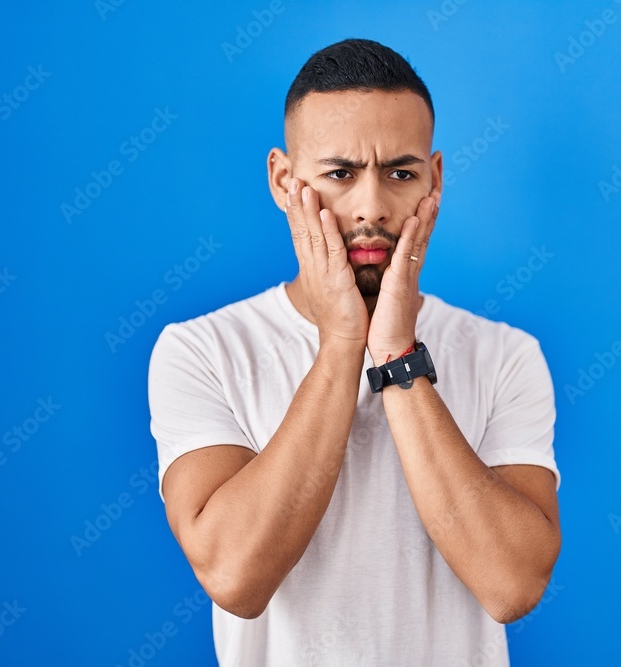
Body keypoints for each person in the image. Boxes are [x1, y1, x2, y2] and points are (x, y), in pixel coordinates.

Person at [147, 38, 562, 666]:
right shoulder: (201, 351)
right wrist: (343, 343)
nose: (371, 208)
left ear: (435, 179)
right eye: (340, 175)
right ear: (286, 182)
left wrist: (395, 354)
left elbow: (512, 585)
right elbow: (236, 576)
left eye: (401, 173)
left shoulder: (505, 355)